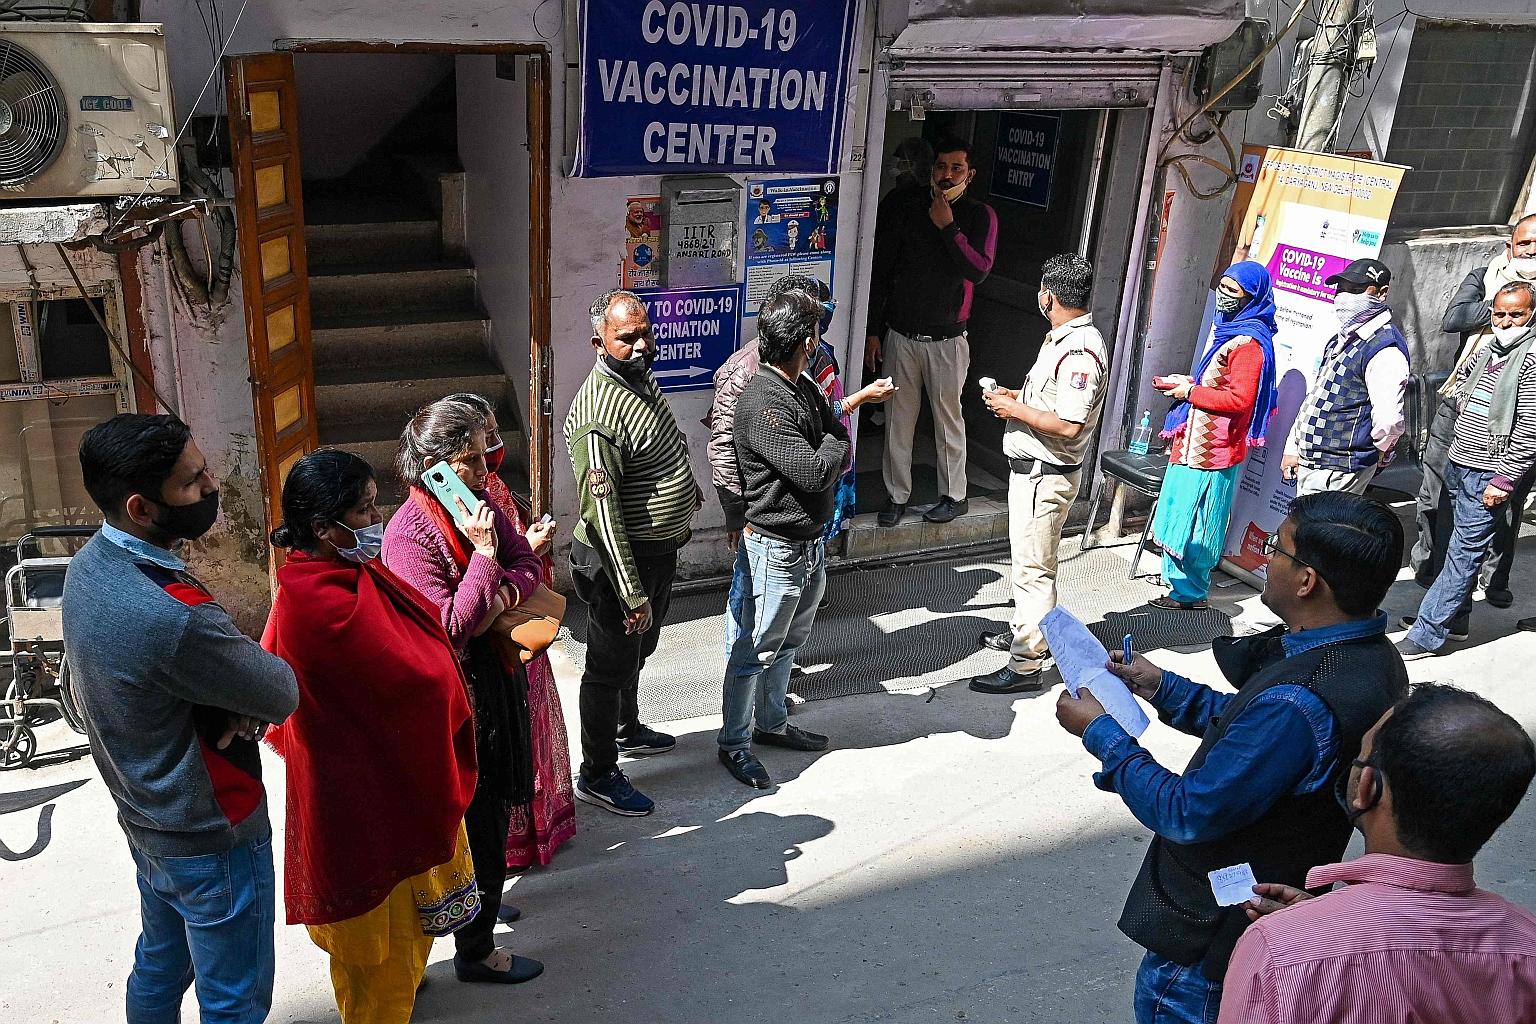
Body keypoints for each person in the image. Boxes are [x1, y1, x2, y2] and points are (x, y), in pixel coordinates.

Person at [1054, 491, 1409, 1024]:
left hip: (1209, 948)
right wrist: (1163, 688)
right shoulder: (1371, 656)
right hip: (1264, 915)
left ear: (1308, 580)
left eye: (1276, 548)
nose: (1265, 559)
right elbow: (1256, 730)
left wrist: (1103, 734)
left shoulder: (1301, 697)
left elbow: (1188, 811)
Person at [63, 413, 299, 1024]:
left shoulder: (89, 566)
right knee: (235, 1001)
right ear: (141, 508)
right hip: (209, 828)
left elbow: (153, 681)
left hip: (146, 812)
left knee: (161, 963)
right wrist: (240, 701)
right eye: (192, 483)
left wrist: (227, 702)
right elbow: (279, 689)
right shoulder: (175, 616)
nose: (210, 487)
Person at [262, 450, 480, 1022]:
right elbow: (409, 677)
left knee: (403, 932)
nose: (375, 519)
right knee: (375, 949)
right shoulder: (314, 600)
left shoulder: (351, 574)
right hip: (357, 801)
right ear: (324, 528)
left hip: (391, 784)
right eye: (363, 509)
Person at [1220, 683, 1536, 1024]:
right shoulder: (1528, 943)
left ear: (1367, 786)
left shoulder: (1277, 953)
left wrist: (1313, 930)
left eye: (1361, 754)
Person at [382, 399, 546, 985]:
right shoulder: (411, 532)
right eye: (470, 459)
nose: (484, 470)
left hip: (493, 680)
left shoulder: (476, 507)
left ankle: (485, 902)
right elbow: (448, 626)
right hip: (454, 699)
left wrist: (497, 596)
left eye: (482, 456)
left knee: (497, 804)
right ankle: (477, 951)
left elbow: (526, 560)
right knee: (474, 817)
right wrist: (482, 562)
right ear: (435, 466)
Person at [564, 289, 701, 815]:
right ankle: (597, 772)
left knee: (636, 654)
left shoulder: (638, 379)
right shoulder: (598, 413)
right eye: (628, 338)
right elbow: (603, 515)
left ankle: (627, 729)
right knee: (607, 667)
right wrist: (630, 592)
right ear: (599, 341)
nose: (643, 344)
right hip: (622, 561)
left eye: (647, 332)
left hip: (656, 553)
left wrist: (685, 490)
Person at [717, 288, 850, 788]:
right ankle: (734, 743)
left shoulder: (802, 386)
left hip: (808, 544)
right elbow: (814, 469)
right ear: (806, 342)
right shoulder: (764, 400)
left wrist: (833, 434)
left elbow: (830, 423)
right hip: (775, 549)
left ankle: (771, 724)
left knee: (791, 642)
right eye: (815, 332)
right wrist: (838, 441)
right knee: (755, 648)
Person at [441, 393, 575, 871]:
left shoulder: (491, 488)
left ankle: (531, 834)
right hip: (488, 645)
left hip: (517, 629)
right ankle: (500, 857)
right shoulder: (447, 507)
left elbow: (516, 559)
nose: (491, 453)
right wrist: (502, 567)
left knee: (529, 731)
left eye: (493, 439)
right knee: (493, 762)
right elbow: (459, 612)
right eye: (477, 449)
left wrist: (521, 561)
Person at [969, 253, 1108, 694]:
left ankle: (1026, 663)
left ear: (1049, 296)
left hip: (1044, 475)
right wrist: (1017, 398)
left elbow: (1070, 424)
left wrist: (1012, 409)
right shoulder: (1062, 339)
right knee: (1027, 567)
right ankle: (1027, 634)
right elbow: (1051, 404)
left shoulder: (1081, 351)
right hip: (1033, 470)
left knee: (1033, 573)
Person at [865, 134, 999, 527]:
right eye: (941, 166)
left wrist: (948, 228)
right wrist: (874, 330)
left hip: (948, 339)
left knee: (947, 421)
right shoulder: (909, 208)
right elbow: (884, 272)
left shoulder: (979, 215)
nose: (947, 174)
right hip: (901, 335)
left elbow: (979, 269)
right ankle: (895, 496)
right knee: (898, 422)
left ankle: (954, 495)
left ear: (969, 174)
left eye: (956, 168)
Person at [1398, 281, 1536, 660]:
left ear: (1531, 314)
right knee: (1451, 546)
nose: (1506, 322)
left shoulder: (1531, 360)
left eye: (1516, 314)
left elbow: (1529, 428)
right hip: (1460, 463)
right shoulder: (1488, 350)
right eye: (1499, 314)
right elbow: (1460, 393)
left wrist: (1504, 479)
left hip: (1489, 473)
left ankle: (1426, 635)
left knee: (1464, 554)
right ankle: (1454, 619)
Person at [708, 274, 894, 548]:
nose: (817, 332)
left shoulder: (809, 363)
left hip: (806, 510)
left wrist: (834, 433)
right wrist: (735, 513)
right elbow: (723, 446)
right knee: (753, 585)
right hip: (769, 523)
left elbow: (827, 423)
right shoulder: (746, 372)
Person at [1412, 213, 1536, 607]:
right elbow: (1454, 318)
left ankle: (1493, 581)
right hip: (1459, 400)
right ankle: (1432, 569)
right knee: (1436, 491)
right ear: (1509, 248)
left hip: (1512, 415)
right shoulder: (1484, 276)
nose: (1531, 251)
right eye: (1524, 244)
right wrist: (1508, 303)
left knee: (1505, 500)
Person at [1150, 261, 1279, 610]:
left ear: (1251, 298)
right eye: (1221, 286)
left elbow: (1240, 400)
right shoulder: (1228, 331)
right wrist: (1188, 384)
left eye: (1232, 291)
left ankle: (1190, 593)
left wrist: (1189, 394)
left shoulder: (1249, 344)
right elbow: (1216, 384)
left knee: (1199, 520)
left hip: (1213, 449)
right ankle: (1177, 588)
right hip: (1193, 442)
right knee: (1179, 511)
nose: (1222, 296)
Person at [1280, 258, 1410, 497]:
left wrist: (1381, 450)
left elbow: (1389, 419)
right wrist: (1294, 447)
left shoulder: (1384, 349)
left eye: (1357, 290)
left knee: (1322, 532)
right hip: (1315, 462)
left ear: (1382, 294)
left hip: (1339, 470)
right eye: (1341, 289)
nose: (1345, 297)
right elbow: (1317, 397)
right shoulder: (1341, 339)